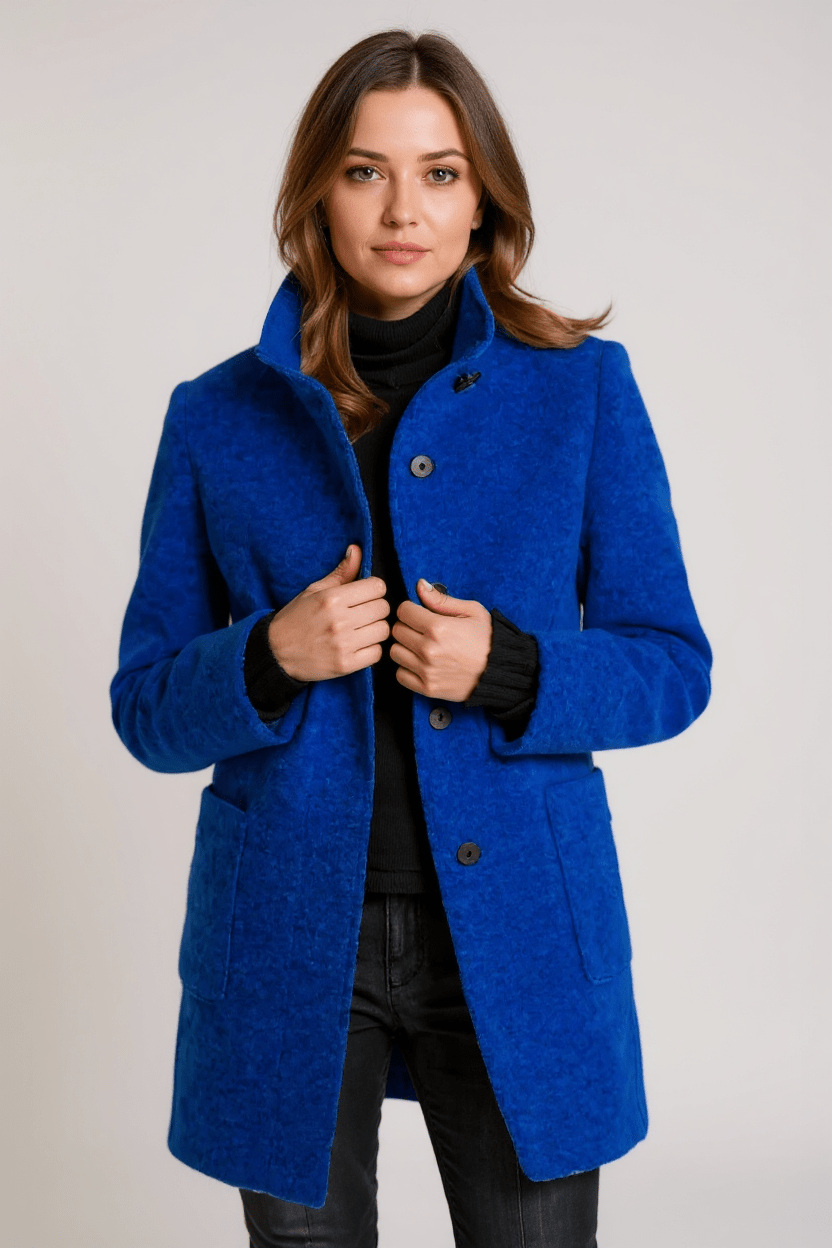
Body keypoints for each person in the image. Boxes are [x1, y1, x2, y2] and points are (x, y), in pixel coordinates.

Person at [110, 29, 712, 1248]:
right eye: (363, 171)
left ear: (482, 197)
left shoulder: (581, 390)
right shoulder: (216, 417)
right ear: (315, 195)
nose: (403, 210)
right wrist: (266, 654)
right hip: (288, 939)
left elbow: (670, 665)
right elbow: (145, 709)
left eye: (439, 173)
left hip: (518, 930)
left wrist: (515, 669)